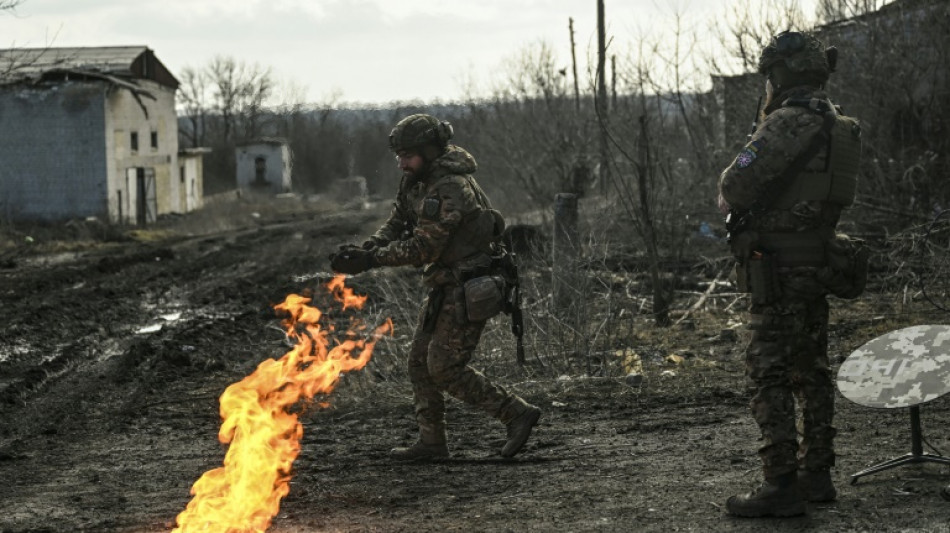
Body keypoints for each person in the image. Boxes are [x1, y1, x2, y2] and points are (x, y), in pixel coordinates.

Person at [329, 113, 541, 460]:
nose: (401, 163)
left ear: (429, 151)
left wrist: (372, 261)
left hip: (470, 284)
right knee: (418, 362)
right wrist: (368, 247)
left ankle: (516, 413)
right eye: (398, 156)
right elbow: (398, 220)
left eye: (407, 155)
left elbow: (423, 248)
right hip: (446, 282)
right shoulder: (417, 180)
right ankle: (431, 443)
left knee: (443, 368)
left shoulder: (451, 188)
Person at [718, 31, 863, 517]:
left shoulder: (785, 122)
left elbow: (734, 186)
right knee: (812, 369)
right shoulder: (839, 125)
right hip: (816, 262)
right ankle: (817, 474)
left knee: (769, 373)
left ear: (780, 75)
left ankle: (780, 483)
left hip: (777, 269)